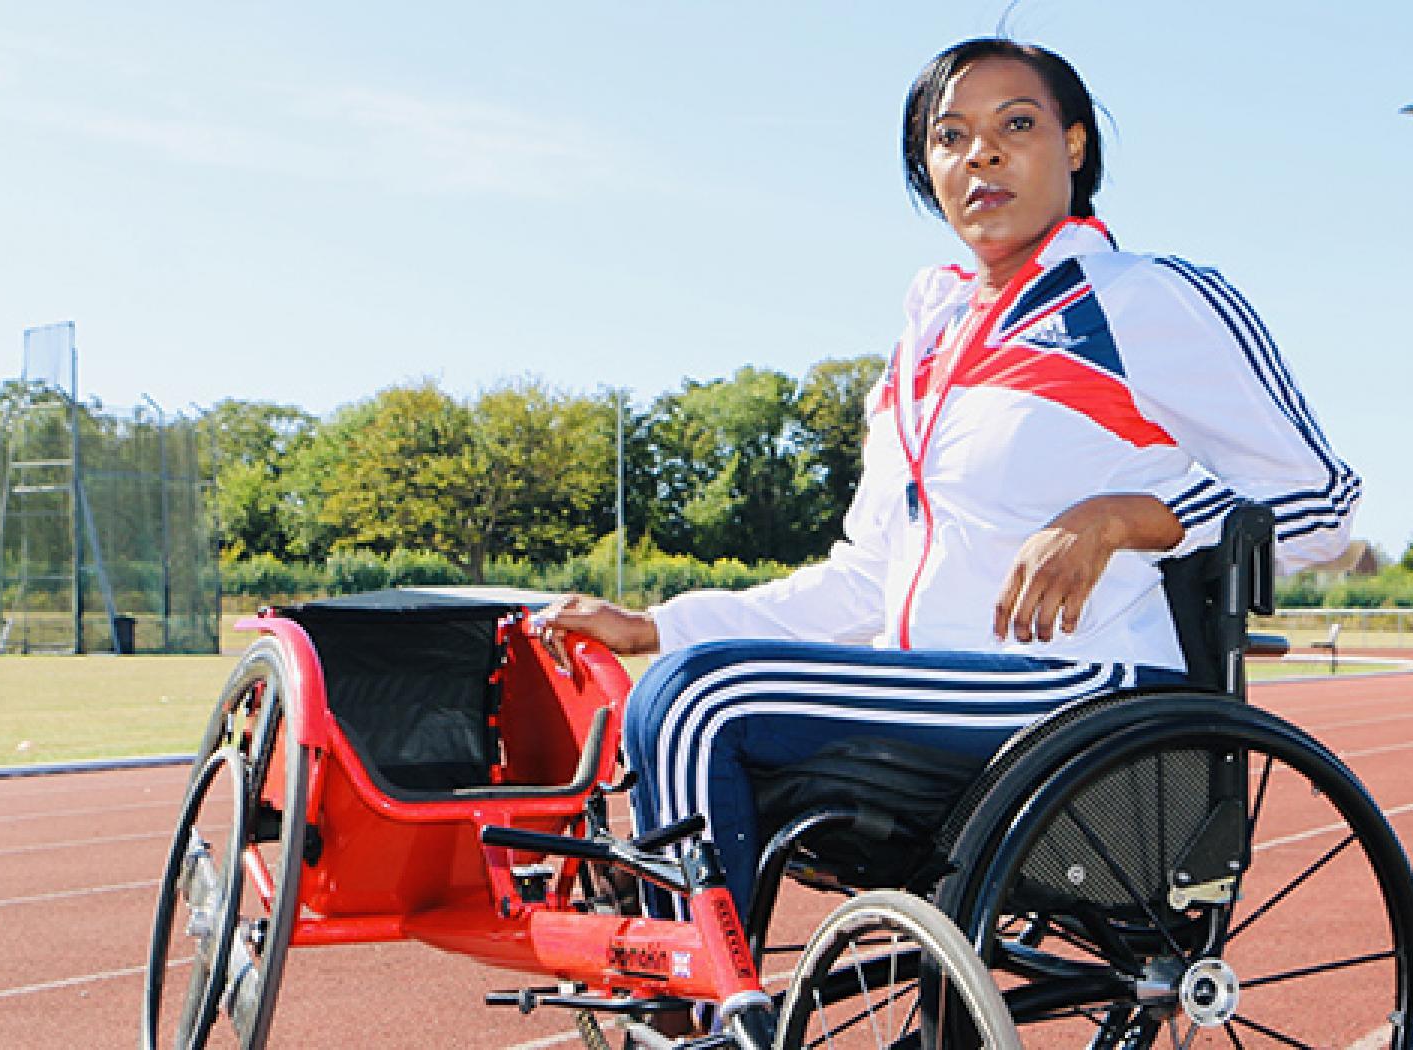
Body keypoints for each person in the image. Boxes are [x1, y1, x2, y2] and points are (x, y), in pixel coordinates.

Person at [539, 37, 1358, 918]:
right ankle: (689, 975)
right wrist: (656, 625)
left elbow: (1321, 510)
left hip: (1086, 689)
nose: (982, 154)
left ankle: (701, 1014)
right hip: (948, 693)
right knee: (680, 683)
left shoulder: (1145, 298)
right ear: (926, 167)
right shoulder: (923, 350)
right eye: (950, 137)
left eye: (1016, 124)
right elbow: (863, 580)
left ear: (1075, 145)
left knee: (701, 700)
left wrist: (1126, 516)